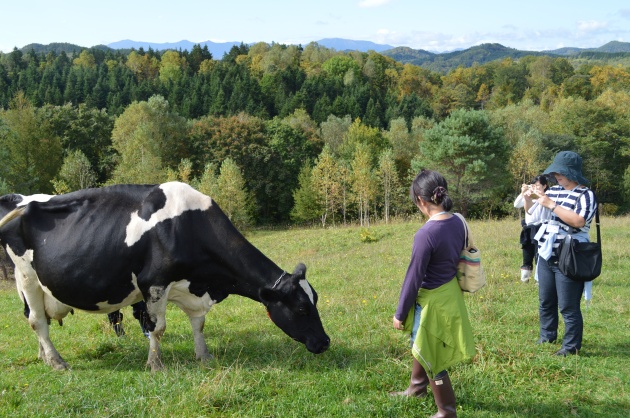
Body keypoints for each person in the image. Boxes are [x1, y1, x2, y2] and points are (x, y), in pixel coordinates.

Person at [391, 169, 476, 418]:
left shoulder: (425, 234)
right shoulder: (457, 220)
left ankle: (446, 411)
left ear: (420, 200)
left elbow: (413, 278)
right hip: (450, 293)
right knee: (425, 343)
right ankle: (417, 389)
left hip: (432, 301)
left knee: (432, 354)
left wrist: (400, 313)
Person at [524, 151, 597, 356]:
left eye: (560, 172)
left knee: (568, 305)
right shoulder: (554, 191)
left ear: (572, 172)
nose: (556, 176)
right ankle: (547, 336)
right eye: (554, 172)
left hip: (571, 253)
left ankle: (571, 346)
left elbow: (579, 221)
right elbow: (532, 217)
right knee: (546, 299)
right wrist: (529, 198)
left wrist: (551, 204)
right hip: (548, 252)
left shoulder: (586, 195)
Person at [514, 175, 551, 282]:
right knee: (527, 253)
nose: (535, 188)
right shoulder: (529, 196)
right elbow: (516, 205)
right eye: (533, 185)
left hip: (542, 227)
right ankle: (525, 278)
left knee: (539, 254)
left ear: (545, 186)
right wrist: (523, 192)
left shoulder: (547, 196)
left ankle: (540, 279)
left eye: (538, 186)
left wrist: (539, 195)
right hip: (528, 228)